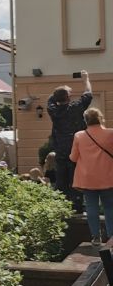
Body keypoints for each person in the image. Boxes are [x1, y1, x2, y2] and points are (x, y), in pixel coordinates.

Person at [47, 72, 92, 205]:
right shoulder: (76, 107)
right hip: (76, 151)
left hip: (60, 150)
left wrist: (61, 91)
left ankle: (62, 206)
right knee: (76, 179)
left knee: (61, 179)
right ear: (68, 96)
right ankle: (77, 205)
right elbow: (88, 92)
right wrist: (86, 79)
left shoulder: (53, 110)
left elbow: (51, 98)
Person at [70, 107, 113, 245]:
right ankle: (111, 236)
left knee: (91, 207)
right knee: (109, 207)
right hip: (108, 176)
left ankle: (95, 237)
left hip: (87, 179)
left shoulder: (79, 136)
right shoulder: (110, 133)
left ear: (86, 120)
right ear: (100, 118)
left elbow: (73, 158)